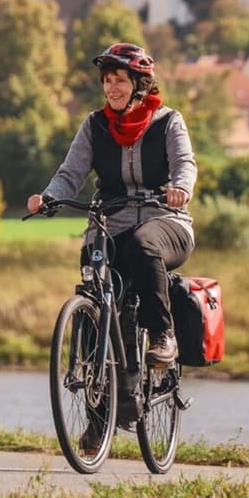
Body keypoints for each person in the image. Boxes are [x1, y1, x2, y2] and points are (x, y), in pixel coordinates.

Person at [26, 41, 196, 369]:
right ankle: (97, 390)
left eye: (119, 80)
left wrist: (181, 188)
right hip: (111, 223)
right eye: (107, 80)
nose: (111, 88)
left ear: (138, 85)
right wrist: (47, 197)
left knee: (141, 245)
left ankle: (163, 335)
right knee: (94, 277)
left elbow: (185, 163)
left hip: (167, 221)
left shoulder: (168, 122)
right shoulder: (94, 126)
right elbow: (70, 173)